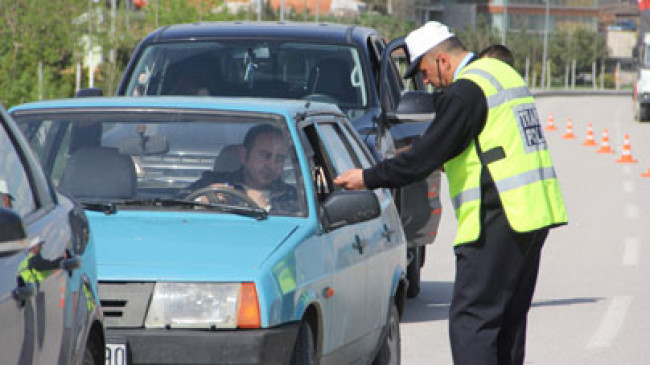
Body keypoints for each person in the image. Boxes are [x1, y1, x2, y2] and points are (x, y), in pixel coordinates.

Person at [334, 21, 567, 365]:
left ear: (442, 59)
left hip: (497, 217)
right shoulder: (502, 75)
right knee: (507, 323)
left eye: (424, 71)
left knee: (471, 323)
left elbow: (423, 158)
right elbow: (491, 142)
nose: (425, 81)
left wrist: (368, 177)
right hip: (533, 213)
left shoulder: (465, 90)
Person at [184, 124, 298, 214]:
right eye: (265, 155)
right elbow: (172, 205)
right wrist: (200, 202)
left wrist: (266, 209)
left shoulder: (293, 197)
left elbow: (297, 231)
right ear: (244, 155)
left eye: (279, 158)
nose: (272, 165)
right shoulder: (211, 183)